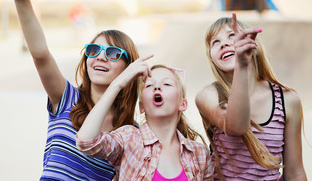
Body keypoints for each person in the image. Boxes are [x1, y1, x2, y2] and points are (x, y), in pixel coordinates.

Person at [4, 0, 142, 180]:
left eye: (113, 53)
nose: (100, 57)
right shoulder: (67, 98)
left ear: (129, 68)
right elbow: (40, 54)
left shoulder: (130, 132)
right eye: (93, 50)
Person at [195, 13, 307, 180]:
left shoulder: (287, 100)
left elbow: (295, 172)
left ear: (253, 44)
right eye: (215, 42)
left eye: (232, 35)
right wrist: (241, 64)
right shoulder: (209, 96)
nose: (224, 43)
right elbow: (237, 126)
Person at [76, 64, 214, 180]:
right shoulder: (129, 138)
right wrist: (117, 84)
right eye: (149, 85)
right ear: (142, 106)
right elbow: (86, 142)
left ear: (182, 104)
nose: (157, 87)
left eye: (166, 84)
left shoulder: (199, 153)